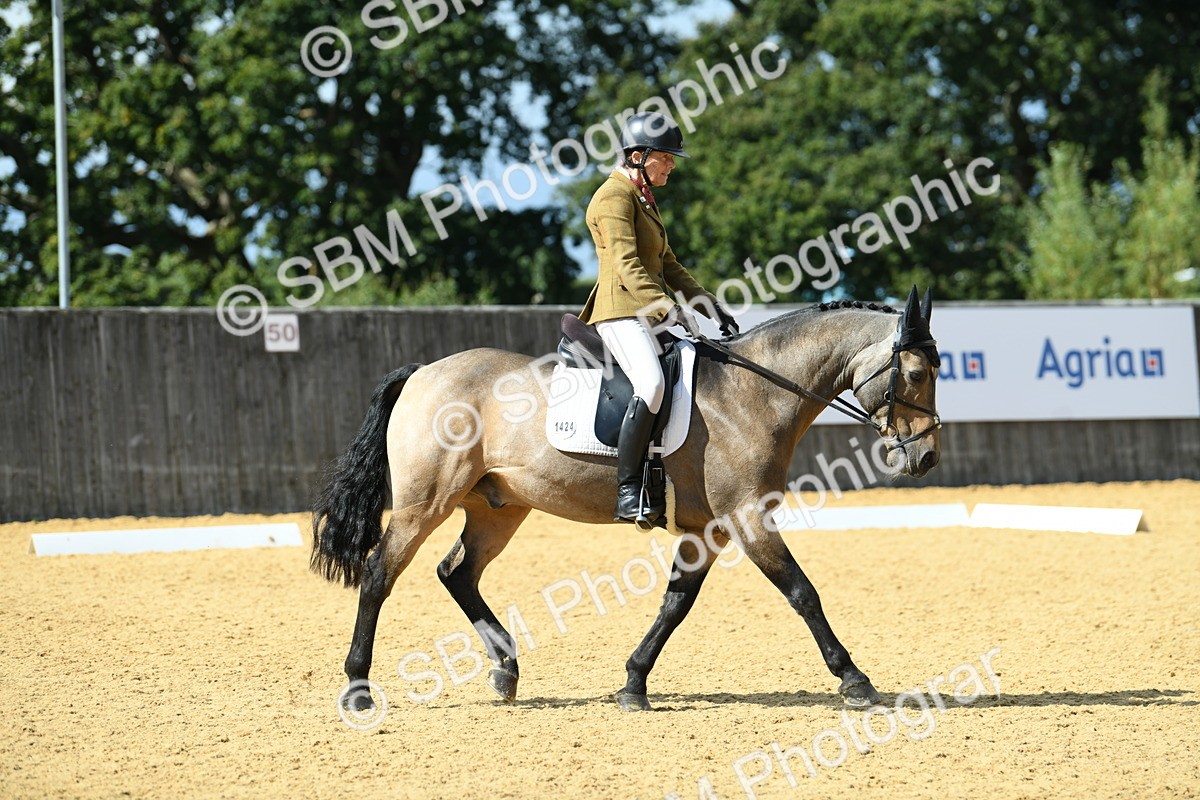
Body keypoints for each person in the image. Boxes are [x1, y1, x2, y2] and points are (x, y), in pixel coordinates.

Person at [577, 111, 740, 523]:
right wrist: (668, 309)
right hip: (620, 312)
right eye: (665, 157)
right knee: (650, 385)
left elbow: (667, 264)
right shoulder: (613, 197)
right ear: (637, 156)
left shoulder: (644, 198)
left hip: (647, 310)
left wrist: (706, 303)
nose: (671, 164)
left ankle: (664, 475)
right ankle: (628, 491)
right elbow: (627, 265)